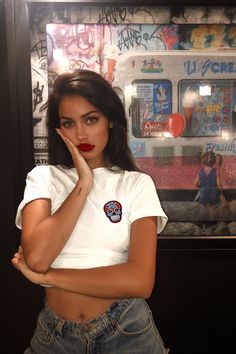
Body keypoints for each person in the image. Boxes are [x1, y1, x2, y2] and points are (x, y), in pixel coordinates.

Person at [12, 69, 168, 354]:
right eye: (68, 123)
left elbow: (140, 281)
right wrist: (84, 182)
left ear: (110, 120)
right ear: (58, 129)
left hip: (126, 330)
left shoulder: (136, 184)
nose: (81, 133)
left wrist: (48, 278)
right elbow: (36, 258)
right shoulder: (43, 178)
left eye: (91, 119)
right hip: (55, 336)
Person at [194, 151, 221, 220]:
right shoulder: (216, 171)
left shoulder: (201, 171)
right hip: (213, 192)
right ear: (214, 161)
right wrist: (221, 192)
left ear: (203, 160)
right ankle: (212, 225)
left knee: (202, 208)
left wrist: (201, 187)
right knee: (212, 208)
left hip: (203, 192)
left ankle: (203, 223)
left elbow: (195, 183)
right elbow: (219, 184)